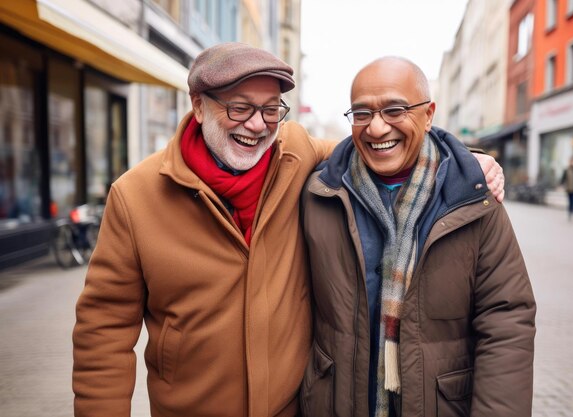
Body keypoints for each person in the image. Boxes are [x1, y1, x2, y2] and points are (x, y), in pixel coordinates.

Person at [72, 43, 505, 417]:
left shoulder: (296, 154)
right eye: (239, 107)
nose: (257, 124)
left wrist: (463, 161)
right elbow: (103, 332)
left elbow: (376, 148)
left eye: (270, 109)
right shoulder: (136, 197)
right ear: (198, 105)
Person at [299, 57, 536, 417]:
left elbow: (506, 321)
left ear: (428, 114)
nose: (376, 129)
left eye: (395, 110)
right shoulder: (320, 194)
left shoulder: (473, 198)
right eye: (361, 113)